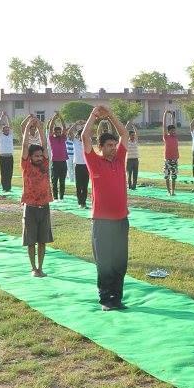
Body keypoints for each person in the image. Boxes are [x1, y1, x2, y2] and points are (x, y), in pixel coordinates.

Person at [82, 104, 130, 311]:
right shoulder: (95, 162)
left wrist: (110, 115)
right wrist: (94, 115)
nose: (112, 147)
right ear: (100, 148)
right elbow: (85, 137)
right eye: (108, 145)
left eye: (114, 144)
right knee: (104, 262)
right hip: (101, 222)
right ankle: (105, 299)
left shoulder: (119, 160)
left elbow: (125, 134)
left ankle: (117, 298)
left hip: (121, 220)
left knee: (120, 261)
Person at [20, 116, 53, 276]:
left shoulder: (45, 164)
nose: (40, 158)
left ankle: (41, 267)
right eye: (36, 156)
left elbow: (45, 145)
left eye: (41, 155)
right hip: (30, 208)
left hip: (44, 207)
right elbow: (25, 145)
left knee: (43, 241)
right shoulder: (26, 166)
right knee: (31, 241)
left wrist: (40, 128)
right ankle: (33, 268)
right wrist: (27, 127)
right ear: (30, 158)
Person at [46, 112, 69, 200]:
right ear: (54, 132)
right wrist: (54, 118)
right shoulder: (51, 139)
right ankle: (55, 197)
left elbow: (64, 128)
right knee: (54, 181)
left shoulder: (63, 138)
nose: (59, 132)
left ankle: (62, 197)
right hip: (55, 163)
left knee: (62, 181)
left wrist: (61, 118)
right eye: (57, 131)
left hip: (63, 163)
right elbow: (51, 127)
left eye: (60, 131)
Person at [68, 119, 90, 208]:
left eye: (83, 135)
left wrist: (86, 124)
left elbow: (88, 131)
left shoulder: (88, 142)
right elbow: (70, 132)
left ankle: (83, 202)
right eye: (81, 135)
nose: (82, 137)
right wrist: (76, 123)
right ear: (78, 136)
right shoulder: (75, 141)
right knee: (78, 185)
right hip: (78, 166)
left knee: (85, 185)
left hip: (86, 166)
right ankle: (79, 201)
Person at [162, 110, 180, 196]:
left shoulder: (175, 136)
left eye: (174, 130)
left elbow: (174, 124)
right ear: (168, 131)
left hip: (175, 160)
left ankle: (173, 191)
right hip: (167, 160)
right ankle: (168, 191)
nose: (173, 132)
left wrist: (172, 116)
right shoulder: (166, 137)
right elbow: (164, 126)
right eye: (172, 131)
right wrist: (165, 114)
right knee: (167, 176)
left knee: (174, 177)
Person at [0, 112, 15, 192]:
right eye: (6, 129)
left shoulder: (11, 135)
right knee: (3, 173)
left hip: (10, 157)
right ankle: (4, 188)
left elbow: (10, 125)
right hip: (3, 157)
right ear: (3, 130)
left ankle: (9, 187)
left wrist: (7, 116)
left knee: (9, 173)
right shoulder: (0, 135)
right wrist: (2, 117)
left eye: (8, 129)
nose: (7, 130)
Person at [125, 124, 140, 191]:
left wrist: (133, 125)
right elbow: (124, 133)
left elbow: (137, 132)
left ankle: (134, 186)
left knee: (135, 173)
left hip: (136, 159)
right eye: (132, 135)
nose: (133, 136)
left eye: (134, 135)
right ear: (129, 136)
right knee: (129, 173)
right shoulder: (126, 142)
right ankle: (129, 185)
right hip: (129, 160)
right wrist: (128, 125)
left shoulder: (136, 141)